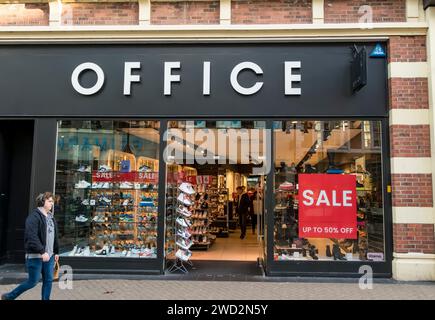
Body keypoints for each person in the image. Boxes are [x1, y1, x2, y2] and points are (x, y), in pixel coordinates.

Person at [1, 192, 59, 300]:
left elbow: (54, 236)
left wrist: (56, 252)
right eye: (49, 201)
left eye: (52, 201)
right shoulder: (33, 217)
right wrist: (42, 251)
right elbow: (32, 237)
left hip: (49, 256)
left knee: (48, 280)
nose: (52, 203)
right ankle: (9, 296)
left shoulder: (51, 217)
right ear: (42, 202)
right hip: (36, 256)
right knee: (32, 282)